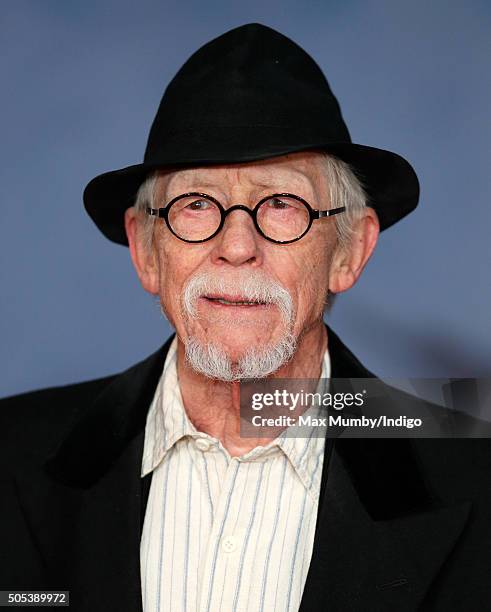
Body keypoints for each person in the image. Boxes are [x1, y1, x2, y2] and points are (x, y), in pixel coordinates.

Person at [1, 23, 490, 612]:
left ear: (349, 251)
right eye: (196, 203)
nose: (236, 246)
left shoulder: (473, 469)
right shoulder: (11, 451)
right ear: (145, 250)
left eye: (282, 204)